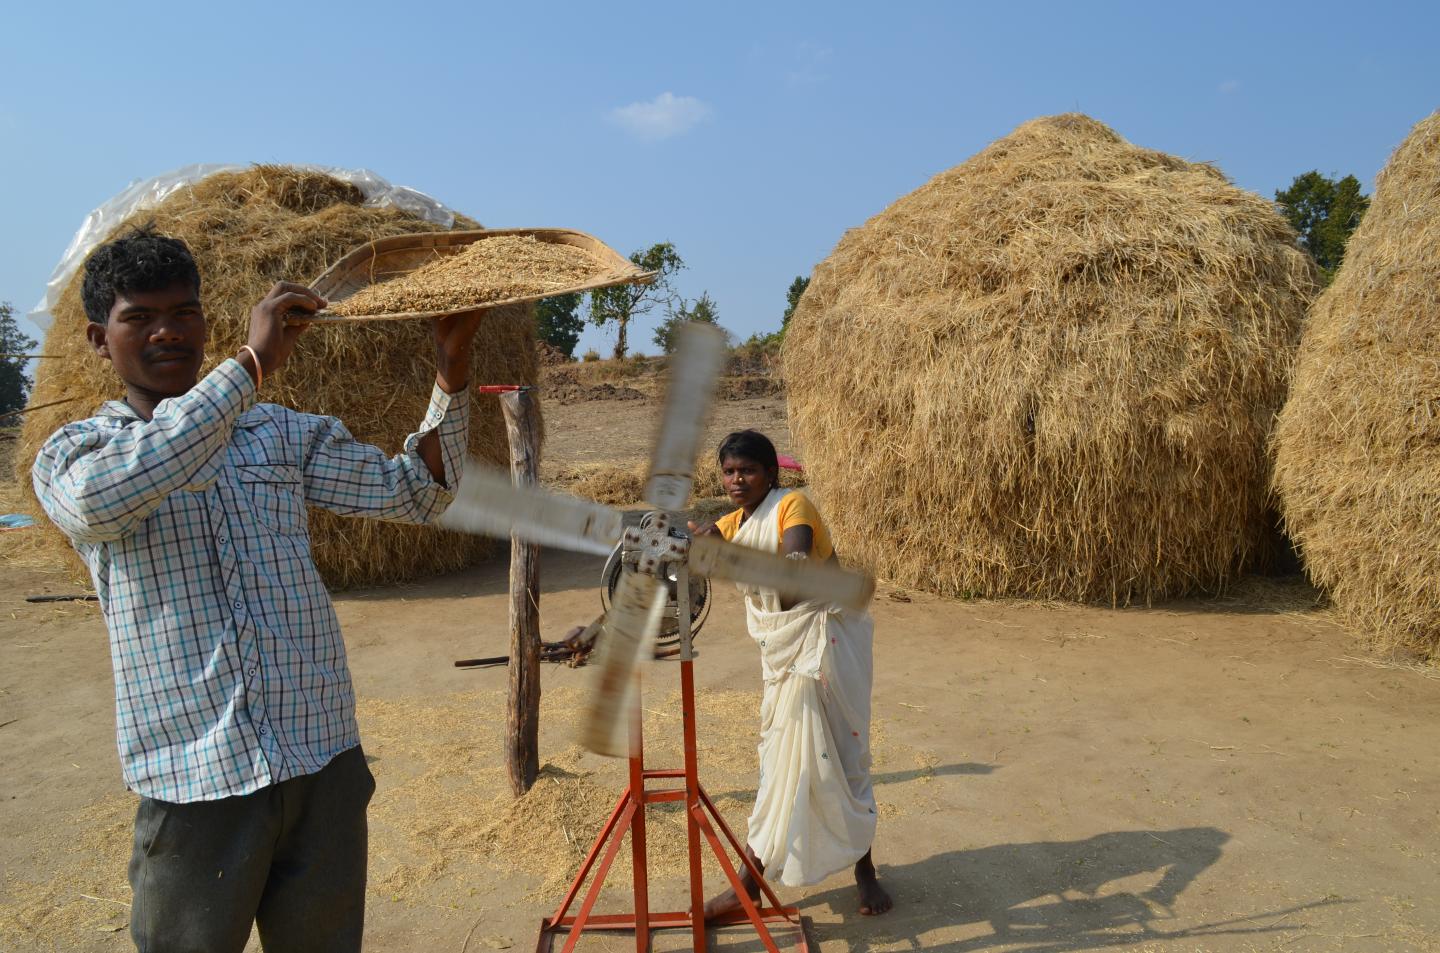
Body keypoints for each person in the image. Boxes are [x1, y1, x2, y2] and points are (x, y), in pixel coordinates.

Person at [31, 226, 486, 953]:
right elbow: (111, 497)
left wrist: (450, 368)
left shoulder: (272, 432)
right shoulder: (77, 455)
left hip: (321, 763)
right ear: (96, 337)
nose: (166, 332)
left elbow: (417, 493)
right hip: (195, 783)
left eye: (183, 313)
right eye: (139, 317)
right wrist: (251, 363)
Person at [689, 429, 893, 919]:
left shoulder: (793, 506)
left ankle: (865, 872)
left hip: (826, 649)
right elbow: (698, 558)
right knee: (780, 763)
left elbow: (793, 565)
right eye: (729, 472)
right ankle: (750, 888)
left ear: (770, 474)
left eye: (748, 471)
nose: (737, 480)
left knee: (844, 760)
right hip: (783, 657)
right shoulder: (734, 523)